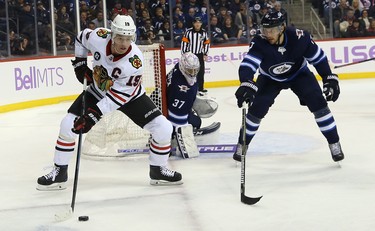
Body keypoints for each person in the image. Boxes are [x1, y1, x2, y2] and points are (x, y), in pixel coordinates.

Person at [36, 15, 182, 190]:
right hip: (98, 90)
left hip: (130, 97)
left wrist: (92, 117)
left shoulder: (134, 62)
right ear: (112, 35)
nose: (123, 43)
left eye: (128, 39)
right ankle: (59, 172)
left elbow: (118, 98)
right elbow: (81, 37)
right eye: (120, 37)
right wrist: (80, 63)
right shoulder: (99, 36)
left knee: (163, 128)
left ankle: (158, 170)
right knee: (67, 124)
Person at [232, 11, 344, 163]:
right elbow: (248, 64)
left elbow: (318, 59)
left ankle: (334, 142)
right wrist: (246, 81)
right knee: (256, 110)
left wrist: (328, 78)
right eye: (265, 29)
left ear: (282, 28)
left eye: (272, 30)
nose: (268, 33)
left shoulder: (300, 37)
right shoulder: (259, 42)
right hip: (269, 78)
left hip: (299, 74)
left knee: (319, 104)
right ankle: (242, 144)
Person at [165, 52, 219, 158]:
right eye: (190, 70)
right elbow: (177, 117)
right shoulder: (182, 90)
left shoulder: (177, 69)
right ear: (183, 66)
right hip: (167, 111)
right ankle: (166, 137)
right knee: (196, 122)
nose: (193, 73)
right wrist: (182, 136)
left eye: (195, 70)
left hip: (163, 102)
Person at [181, 16, 210, 95]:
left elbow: (206, 43)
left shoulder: (204, 32)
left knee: (201, 72)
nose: (197, 24)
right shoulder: (188, 32)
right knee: (189, 71)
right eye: (196, 23)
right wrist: (184, 54)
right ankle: (189, 87)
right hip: (190, 55)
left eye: (199, 23)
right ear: (193, 24)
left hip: (200, 55)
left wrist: (206, 54)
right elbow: (184, 43)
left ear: (201, 24)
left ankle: (200, 88)